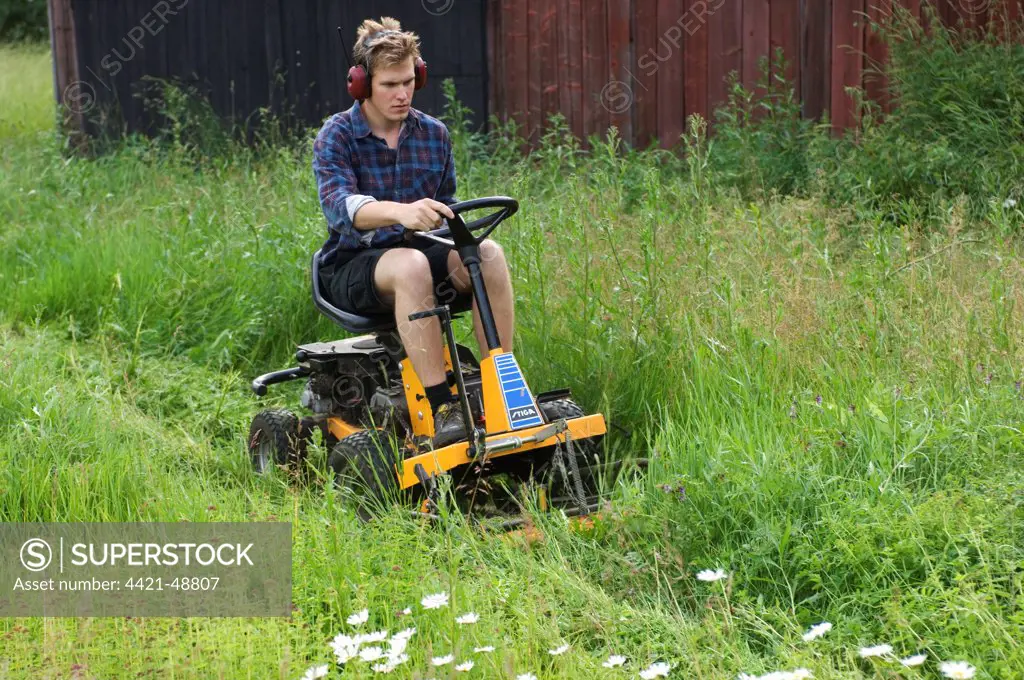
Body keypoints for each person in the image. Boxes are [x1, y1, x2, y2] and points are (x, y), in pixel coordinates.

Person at [312, 17, 516, 448]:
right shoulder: (337, 136)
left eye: (408, 81)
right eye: (389, 84)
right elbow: (340, 208)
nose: (402, 93)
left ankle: (503, 392)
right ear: (361, 84)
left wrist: (447, 228)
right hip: (352, 266)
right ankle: (442, 407)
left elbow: (446, 208)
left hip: (422, 253)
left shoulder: (434, 135)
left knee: (489, 254)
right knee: (411, 264)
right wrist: (401, 213)